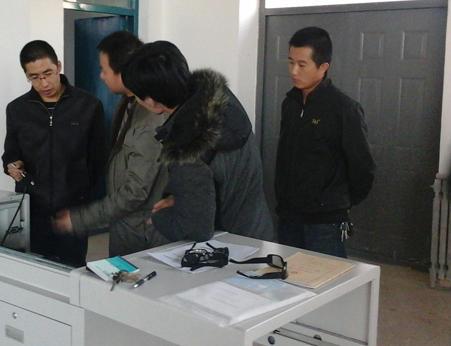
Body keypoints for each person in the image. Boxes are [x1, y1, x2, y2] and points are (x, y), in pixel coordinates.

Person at [121, 41, 275, 243]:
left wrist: (159, 218)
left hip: (231, 249)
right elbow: (220, 178)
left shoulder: (186, 147)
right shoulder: (222, 100)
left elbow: (194, 230)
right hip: (258, 233)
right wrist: (181, 198)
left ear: (152, 102)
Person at [53, 31, 172, 257]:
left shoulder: (150, 120)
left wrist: (80, 219)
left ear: (123, 72)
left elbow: (135, 192)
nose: (101, 76)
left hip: (143, 231)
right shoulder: (127, 103)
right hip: (125, 226)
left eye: (104, 69)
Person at [2, 40, 107, 267]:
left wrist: (88, 202)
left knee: (73, 269)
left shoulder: (88, 105)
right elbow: (10, 151)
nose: (44, 83)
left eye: (48, 73)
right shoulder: (17, 109)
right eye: (34, 77)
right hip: (32, 207)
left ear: (58, 66)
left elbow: (99, 159)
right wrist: (12, 164)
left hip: (73, 208)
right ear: (26, 76)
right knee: (35, 268)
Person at [275, 26, 375, 259]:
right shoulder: (290, 103)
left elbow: (362, 166)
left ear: (323, 67)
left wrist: (336, 202)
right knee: (289, 276)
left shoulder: (343, 109)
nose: (294, 71)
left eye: (302, 65)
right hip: (289, 215)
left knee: (327, 278)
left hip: (324, 222)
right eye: (291, 62)